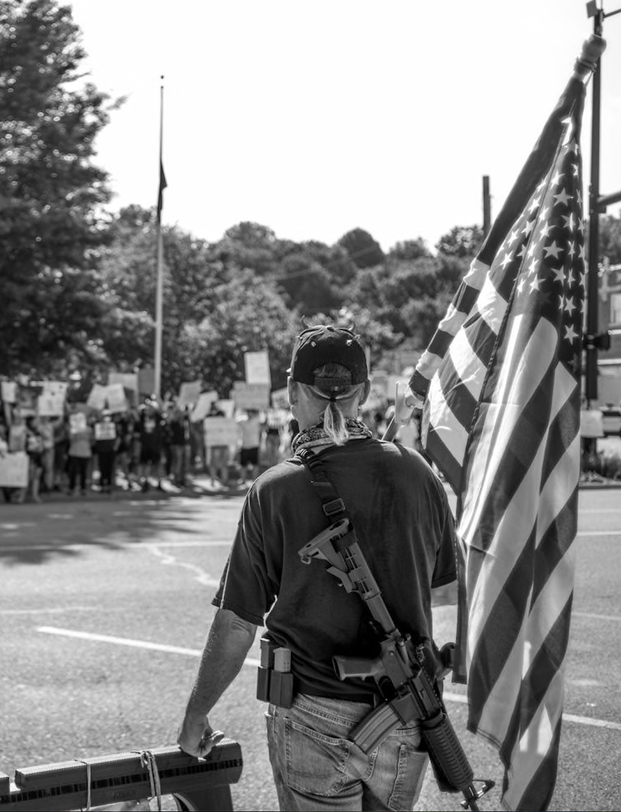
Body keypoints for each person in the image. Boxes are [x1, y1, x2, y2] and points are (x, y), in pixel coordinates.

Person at [176, 326, 457, 812]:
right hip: (405, 713)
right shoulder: (419, 474)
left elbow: (238, 622)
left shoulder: (274, 490)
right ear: (365, 393)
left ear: (291, 394)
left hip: (313, 713)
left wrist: (196, 714)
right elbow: (448, 592)